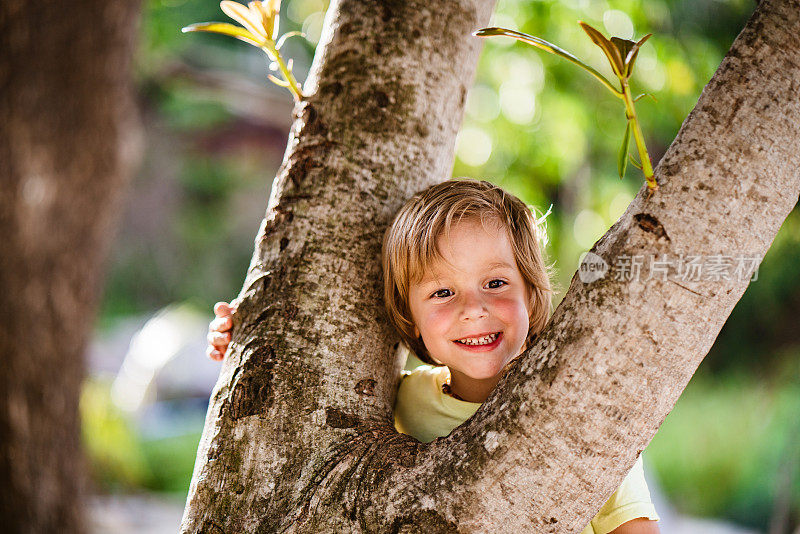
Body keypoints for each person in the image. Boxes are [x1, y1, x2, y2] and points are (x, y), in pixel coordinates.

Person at [206, 179, 660, 533]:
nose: (473, 309)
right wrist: (243, 343)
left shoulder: (576, 408)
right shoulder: (403, 400)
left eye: (496, 283)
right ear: (411, 318)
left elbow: (634, 525)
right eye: (443, 292)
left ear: (530, 290)